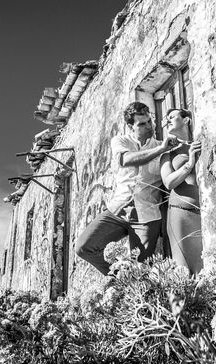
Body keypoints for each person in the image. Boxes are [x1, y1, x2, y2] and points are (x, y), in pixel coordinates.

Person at [75, 102, 178, 275]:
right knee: (84, 247)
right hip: (118, 210)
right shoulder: (121, 141)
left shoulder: (163, 148)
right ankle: (121, 277)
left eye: (149, 121)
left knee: (141, 269)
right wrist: (160, 149)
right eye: (142, 124)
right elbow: (126, 160)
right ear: (130, 126)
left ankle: (132, 281)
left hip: (146, 216)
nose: (149, 127)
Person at [160, 108, 203, 275]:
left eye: (172, 117)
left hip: (202, 214)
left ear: (186, 120)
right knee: (184, 271)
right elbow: (168, 182)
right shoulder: (168, 154)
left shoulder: (198, 142)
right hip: (181, 215)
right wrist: (190, 162)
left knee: (203, 268)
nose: (167, 121)